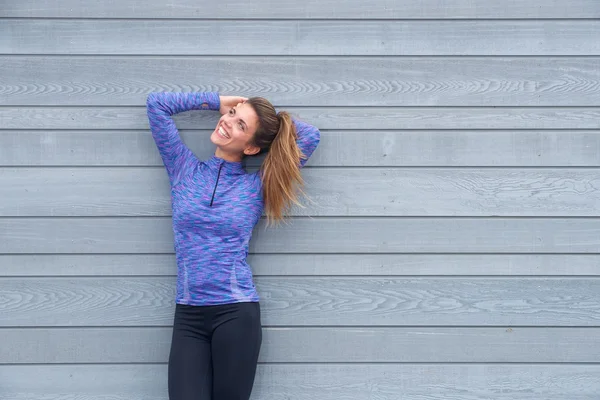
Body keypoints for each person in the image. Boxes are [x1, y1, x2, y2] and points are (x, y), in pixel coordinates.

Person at [146, 91, 320, 400]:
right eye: (230, 115)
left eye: (240, 125)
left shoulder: (257, 186)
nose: (227, 123)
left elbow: (310, 136)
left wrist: (274, 124)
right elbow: (156, 105)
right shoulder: (183, 170)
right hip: (188, 315)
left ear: (252, 147)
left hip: (236, 314)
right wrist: (217, 101)